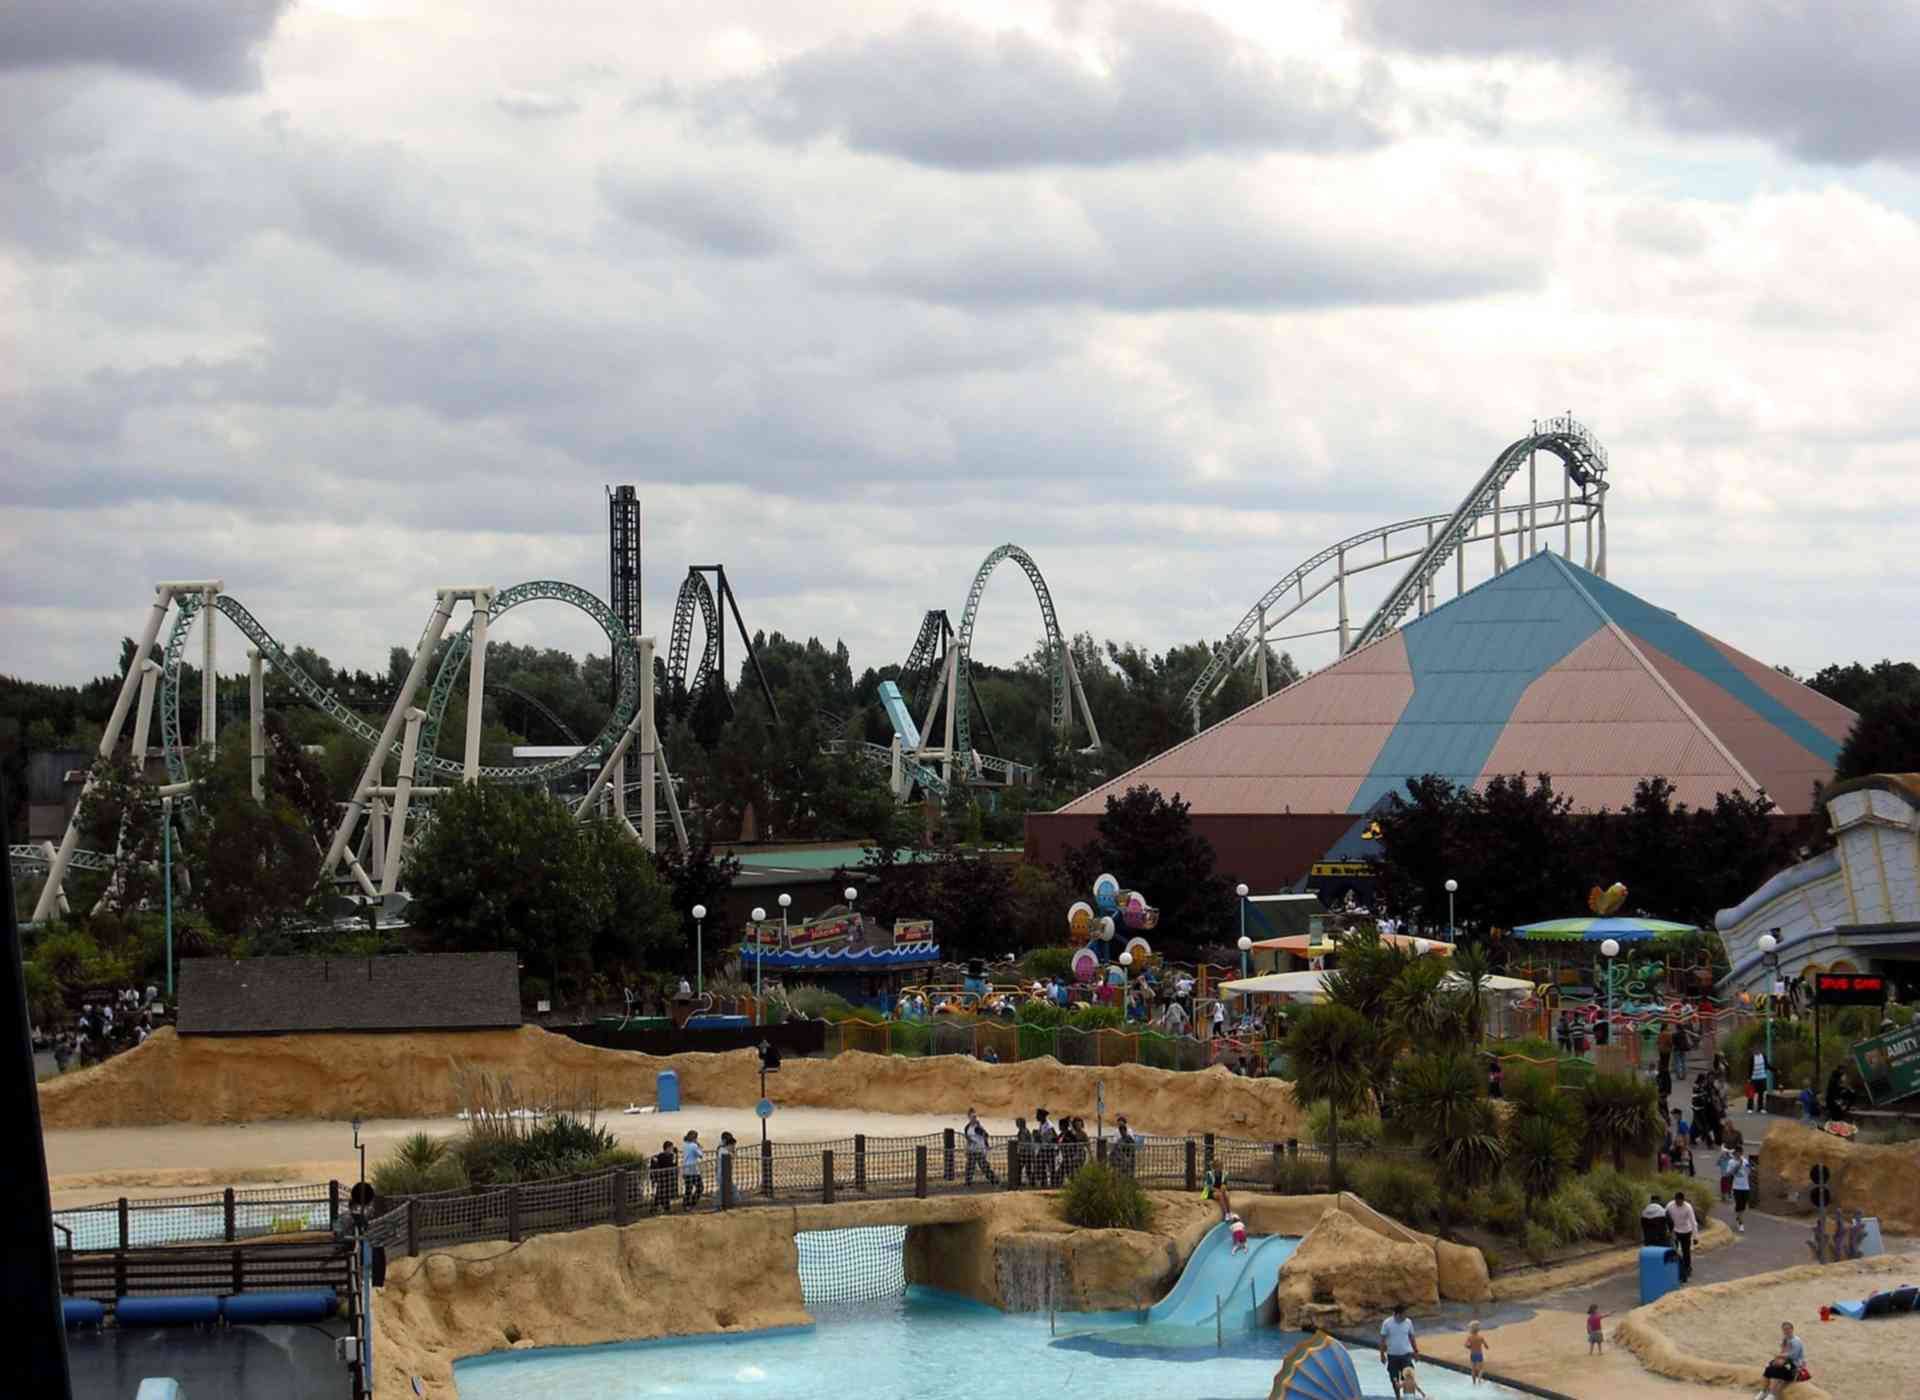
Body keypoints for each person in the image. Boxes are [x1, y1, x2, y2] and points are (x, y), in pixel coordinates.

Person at [1380, 1303, 1420, 1397]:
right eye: (1404, 1314)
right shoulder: (1387, 1323)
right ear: (1397, 1314)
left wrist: (1416, 1352)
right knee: (1394, 1379)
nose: (1406, 1316)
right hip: (1392, 1356)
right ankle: (1398, 1397)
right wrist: (1382, 1355)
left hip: (1406, 1355)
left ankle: (1409, 1396)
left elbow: (1411, 1337)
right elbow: (1382, 1340)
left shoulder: (1408, 1322)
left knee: (1409, 1378)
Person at [1758, 1320, 1805, 1397]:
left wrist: (1780, 1356)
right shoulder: (1785, 1339)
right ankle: (1763, 1392)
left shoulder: (1796, 1341)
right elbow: (1783, 1352)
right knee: (1768, 1368)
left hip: (1795, 1365)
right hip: (1786, 1362)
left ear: (1792, 1329)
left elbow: (1793, 1356)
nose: (1786, 1331)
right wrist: (1777, 1359)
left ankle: (1772, 1395)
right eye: (1784, 1329)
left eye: (1788, 1329)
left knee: (1779, 1370)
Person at [1667, 1190, 1698, 1283]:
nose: (1678, 1203)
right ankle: (1676, 1269)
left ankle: (1687, 1268)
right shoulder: (1670, 1206)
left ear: (1683, 1200)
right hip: (1675, 1231)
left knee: (1686, 1251)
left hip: (1686, 1231)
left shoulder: (1688, 1207)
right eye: (1677, 1201)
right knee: (1674, 1251)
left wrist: (1695, 1237)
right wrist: (1668, 1231)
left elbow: (1693, 1222)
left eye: (1680, 1201)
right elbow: (1665, 1218)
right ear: (1675, 1199)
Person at [963, 1108, 997, 1185]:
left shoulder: (978, 1127)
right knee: (969, 1167)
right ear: (969, 1117)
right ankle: (967, 1182)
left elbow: (986, 1135)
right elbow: (967, 1138)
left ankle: (994, 1180)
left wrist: (987, 1145)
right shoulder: (967, 1127)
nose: (974, 1118)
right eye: (973, 1117)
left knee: (984, 1167)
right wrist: (967, 1147)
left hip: (979, 1150)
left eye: (975, 1116)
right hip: (972, 1150)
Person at [1727, 1148, 1754, 1232]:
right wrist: (1738, 1165)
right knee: (1739, 1205)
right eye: (1737, 1153)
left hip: (1746, 1187)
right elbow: (1729, 1173)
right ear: (1735, 1153)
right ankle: (1741, 1224)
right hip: (1736, 1187)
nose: (1738, 1155)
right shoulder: (1731, 1162)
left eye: (1740, 1153)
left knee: (1743, 1206)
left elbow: (1749, 1172)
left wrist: (1751, 1168)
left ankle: (1738, 1217)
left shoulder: (1745, 1161)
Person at [649, 1140, 677, 1214]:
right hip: (662, 1177)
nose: (672, 1149)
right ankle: (657, 1207)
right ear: (667, 1148)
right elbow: (656, 1161)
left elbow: (673, 1165)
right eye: (671, 1148)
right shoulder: (662, 1156)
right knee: (660, 1193)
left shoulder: (670, 1156)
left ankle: (665, 1207)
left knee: (665, 1192)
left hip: (667, 1177)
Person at [680, 1130, 704, 1210]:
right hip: (693, 1170)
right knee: (700, 1187)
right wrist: (699, 1147)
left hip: (686, 1169)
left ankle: (686, 1204)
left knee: (688, 1189)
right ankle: (692, 1202)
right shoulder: (694, 1145)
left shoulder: (685, 1144)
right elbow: (700, 1155)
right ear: (694, 1138)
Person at [1463, 1319, 1489, 1385]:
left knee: (1473, 1369)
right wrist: (1486, 1347)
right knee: (1481, 1368)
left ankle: (1474, 1382)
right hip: (1479, 1354)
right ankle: (1479, 1380)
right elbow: (1486, 1346)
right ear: (1478, 1329)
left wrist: (1470, 1347)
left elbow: (1465, 1345)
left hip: (1473, 1354)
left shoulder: (1470, 1337)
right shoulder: (1480, 1337)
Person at [1748, 1048, 1772, 1113]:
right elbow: (1750, 1068)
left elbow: (1767, 1065)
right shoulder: (1752, 1057)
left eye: (1757, 1050)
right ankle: (1750, 1108)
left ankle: (1760, 1108)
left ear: (1760, 1050)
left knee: (1761, 1094)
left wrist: (1775, 1070)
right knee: (1751, 1094)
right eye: (1755, 1050)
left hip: (1762, 1077)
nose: (1756, 1051)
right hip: (1754, 1078)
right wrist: (1749, 1078)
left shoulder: (1763, 1056)